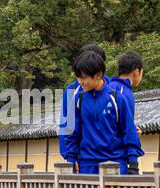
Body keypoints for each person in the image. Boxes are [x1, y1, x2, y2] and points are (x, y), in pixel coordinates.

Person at [58, 46, 143, 175]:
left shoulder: (116, 97)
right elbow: (69, 130)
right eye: (78, 76)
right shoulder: (76, 97)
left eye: (83, 77)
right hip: (87, 165)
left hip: (115, 164)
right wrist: (70, 158)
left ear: (99, 74)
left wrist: (133, 162)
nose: (80, 81)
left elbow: (128, 130)